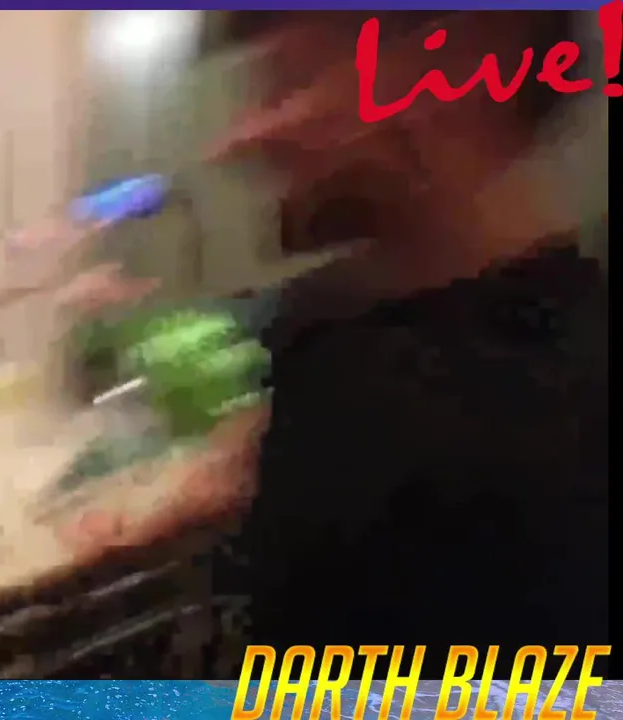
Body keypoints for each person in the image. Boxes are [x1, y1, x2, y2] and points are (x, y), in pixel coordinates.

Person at [59, 10, 607, 677]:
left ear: (450, 73)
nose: (237, 140)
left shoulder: (553, 444)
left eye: (287, 86)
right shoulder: (343, 306)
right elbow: (280, 436)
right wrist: (185, 499)